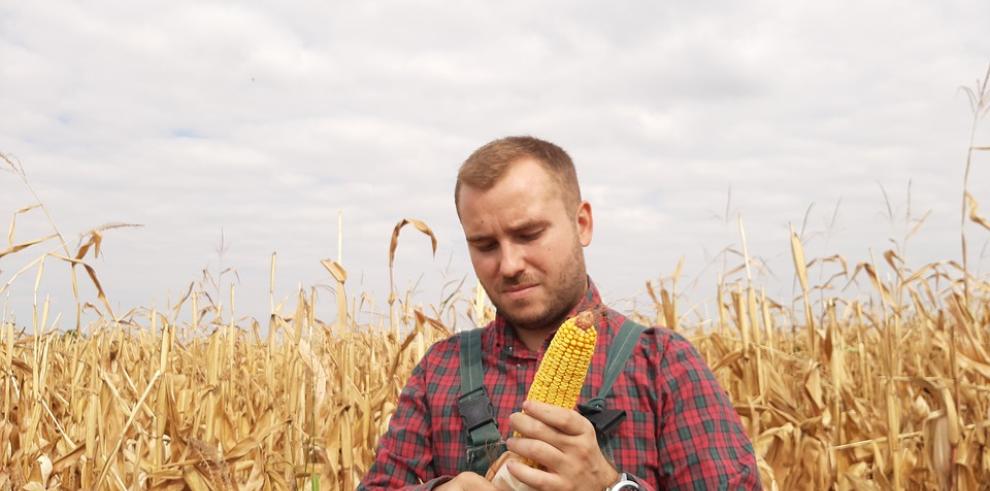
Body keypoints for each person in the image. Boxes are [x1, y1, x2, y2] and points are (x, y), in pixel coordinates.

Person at [358, 136, 762, 490]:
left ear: (582, 223)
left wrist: (610, 488)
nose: (510, 263)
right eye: (485, 245)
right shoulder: (440, 371)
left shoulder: (663, 365)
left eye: (529, 234)